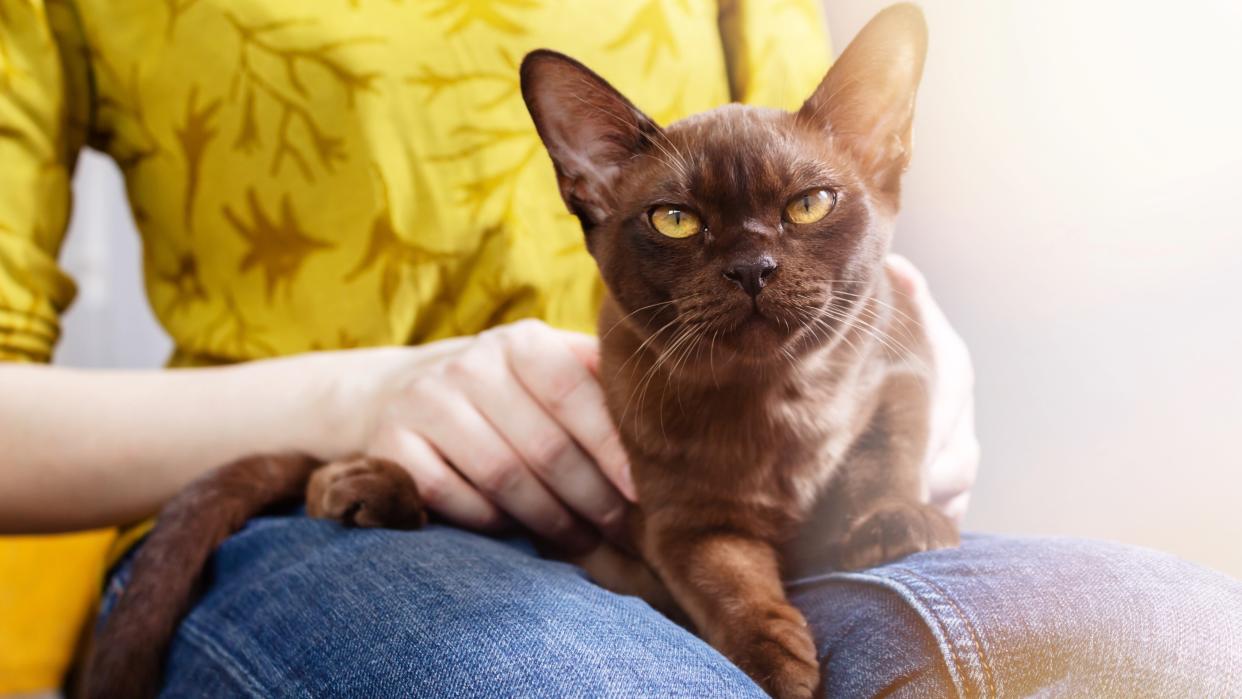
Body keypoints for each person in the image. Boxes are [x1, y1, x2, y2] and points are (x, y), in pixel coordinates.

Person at [1, 1, 1238, 696]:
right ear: (586, 186)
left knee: (1175, 642)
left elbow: (820, 184)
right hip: (358, 518)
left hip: (714, 496)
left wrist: (899, 350)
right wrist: (362, 392)